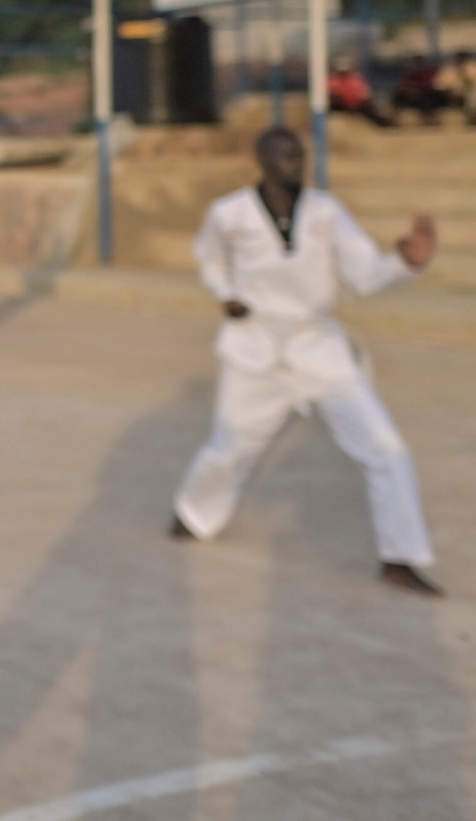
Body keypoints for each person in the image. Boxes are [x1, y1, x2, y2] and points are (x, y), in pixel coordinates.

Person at [170, 126, 441, 596]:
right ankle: (194, 514)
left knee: (387, 448)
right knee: (230, 447)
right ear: (261, 159)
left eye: (300, 155)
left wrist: (404, 262)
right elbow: (209, 259)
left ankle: (399, 558)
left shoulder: (327, 212)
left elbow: (364, 276)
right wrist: (226, 294)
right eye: (284, 155)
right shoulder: (229, 212)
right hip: (253, 346)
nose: (295, 163)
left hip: (318, 346)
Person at [326, 56, 395, 128]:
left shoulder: (355, 79)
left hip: (357, 106)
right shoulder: (334, 79)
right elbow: (331, 92)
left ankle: (387, 123)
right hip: (340, 105)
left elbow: (364, 93)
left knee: (372, 112)